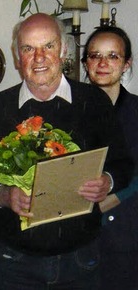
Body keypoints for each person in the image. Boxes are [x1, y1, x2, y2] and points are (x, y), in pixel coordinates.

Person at [0, 13, 132, 290]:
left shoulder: (94, 102)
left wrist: (107, 182)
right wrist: (4, 195)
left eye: (48, 46)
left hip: (81, 257)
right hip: (15, 261)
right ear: (18, 58)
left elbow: (123, 164)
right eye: (29, 48)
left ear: (63, 50)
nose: (39, 57)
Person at [82, 25, 138, 289]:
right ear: (86, 63)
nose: (103, 63)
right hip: (78, 244)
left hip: (126, 239)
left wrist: (100, 206)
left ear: (126, 64)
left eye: (113, 56)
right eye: (95, 56)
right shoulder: (70, 113)